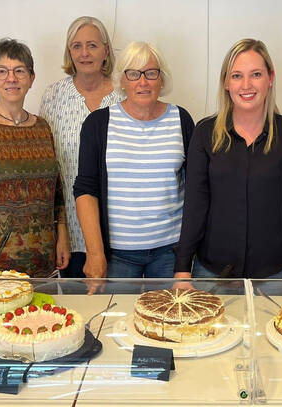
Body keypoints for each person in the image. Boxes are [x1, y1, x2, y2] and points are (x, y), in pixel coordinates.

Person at [174, 38, 282, 298]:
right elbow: (195, 206)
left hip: (274, 276)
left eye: (256, 74)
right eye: (236, 76)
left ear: (270, 78)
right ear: (226, 83)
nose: (246, 85)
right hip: (210, 275)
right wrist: (181, 272)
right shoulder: (205, 133)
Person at [73, 41, 195, 289]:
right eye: (133, 73)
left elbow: (196, 191)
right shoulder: (98, 124)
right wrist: (95, 254)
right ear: (122, 80)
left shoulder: (181, 119)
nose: (143, 82)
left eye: (151, 73)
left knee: (168, 322)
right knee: (114, 322)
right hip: (117, 256)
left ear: (162, 80)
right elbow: (86, 190)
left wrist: (188, 253)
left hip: (169, 253)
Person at [0, 38, 70, 277]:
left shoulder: (42, 128)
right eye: (2, 71)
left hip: (45, 261)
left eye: (19, 71)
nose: (11, 78)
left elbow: (57, 193)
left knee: (46, 315)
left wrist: (63, 238)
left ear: (31, 78)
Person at [39, 16, 124, 278]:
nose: (84, 53)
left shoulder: (125, 94)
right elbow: (50, 172)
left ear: (106, 51)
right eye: (77, 46)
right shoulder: (54, 97)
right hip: (72, 232)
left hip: (121, 232)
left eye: (92, 45)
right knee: (79, 311)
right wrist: (60, 231)